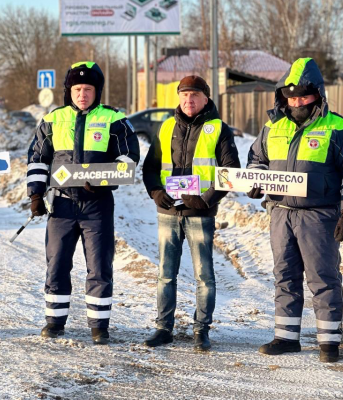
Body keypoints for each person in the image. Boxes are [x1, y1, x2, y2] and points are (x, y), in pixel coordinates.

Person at [247, 57, 343, 362]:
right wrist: (255, 179)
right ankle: (286, 338)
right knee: (284, 276)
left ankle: (329, 343)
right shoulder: (272, 126)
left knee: (323, 277)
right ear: (283, 96)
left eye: (303, 96)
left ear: (318, 94)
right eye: (292, 96)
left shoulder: (338, 128)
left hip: (319, 215)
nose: (297, 102)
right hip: (280, 212)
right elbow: (257, 158)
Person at [27, 61, 140, 345]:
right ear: (69, 91)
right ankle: (54, 322)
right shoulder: (53, 120)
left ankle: (99, 326)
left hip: (97, 205)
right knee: (57, 264)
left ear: (97, 91)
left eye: (88, 89)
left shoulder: (115, 120)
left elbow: (128, 159)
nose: (82, 94)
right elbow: (37, 159)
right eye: (77, 89)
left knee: (100, 266)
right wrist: (36, 195)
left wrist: (104, 179)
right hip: (61, 206)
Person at [142, 75, 240, 351]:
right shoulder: (166, 127)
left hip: (200, 214)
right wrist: (156, 192)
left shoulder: (219, 129)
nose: (188, 100)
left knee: (204, 275)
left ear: (206, 98)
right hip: (168, 211)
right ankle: (163, 329)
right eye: (184, 95)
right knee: (165, 273)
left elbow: (230, 171)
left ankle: (201, 330)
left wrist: (207, 200)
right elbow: (150, 168)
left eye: (194, 95)